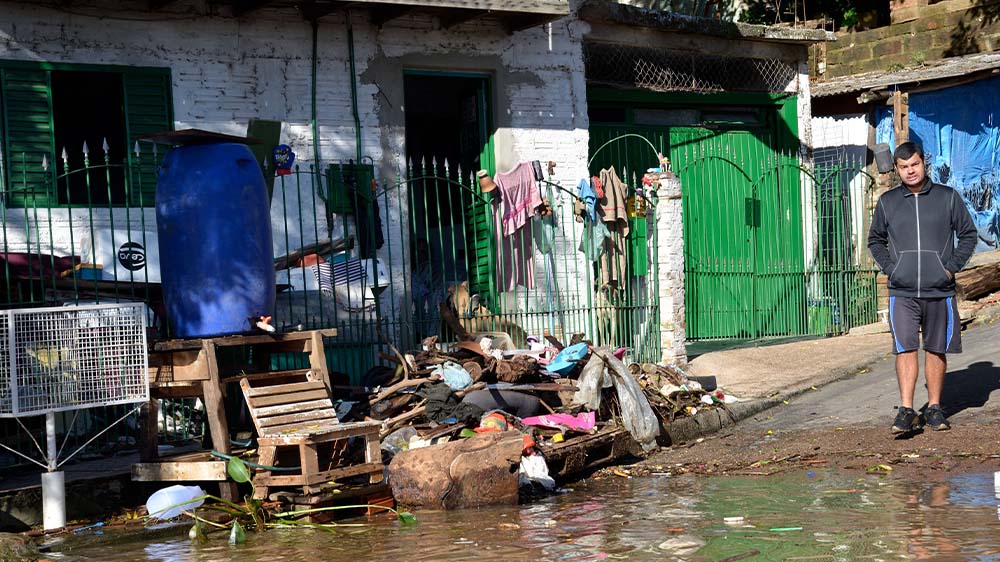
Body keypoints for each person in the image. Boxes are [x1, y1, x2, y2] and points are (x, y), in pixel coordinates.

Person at [867, 141, 978, 433]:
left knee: (935, 348)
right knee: (905, 349)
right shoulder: (888, 202)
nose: (910, 171)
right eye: (903, 167)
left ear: (924, 163)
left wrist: (950, 267)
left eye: (914, 165)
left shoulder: (947, 197)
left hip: (938, 289)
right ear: (897, 169)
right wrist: (892, 269)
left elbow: (968, 235)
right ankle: (906, 410)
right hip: (902, 291)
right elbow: (875, 240)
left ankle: (934, 408)